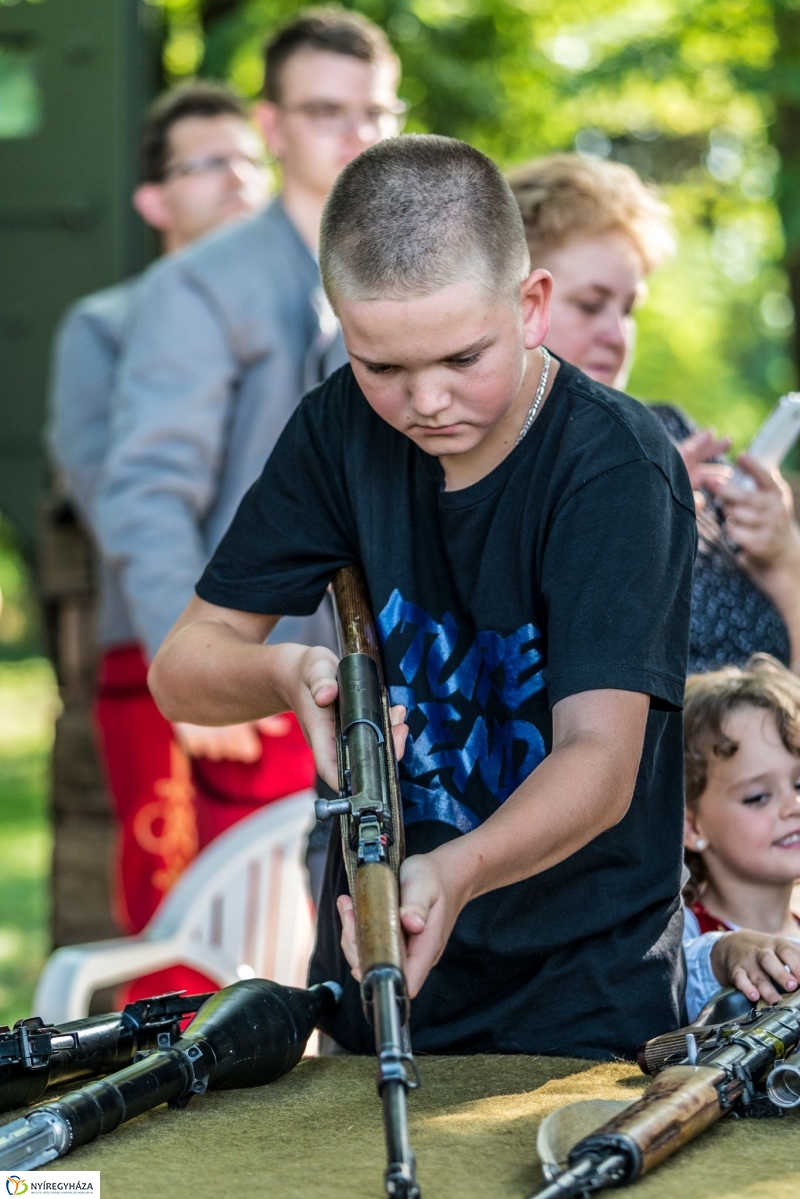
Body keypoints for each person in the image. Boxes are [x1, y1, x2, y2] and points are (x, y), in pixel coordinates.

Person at [149, 134, 699, 1061]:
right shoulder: (337, 428)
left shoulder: (614, 464)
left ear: (531, 306)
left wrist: (456, 870)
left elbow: (602, 763)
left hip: (583, 1007)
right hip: (378, 991)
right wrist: (289, 672)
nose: (426, 400)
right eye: (383, 367)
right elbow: (182, 668)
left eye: (461, 357)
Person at [94, 9, 404, 905]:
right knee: (232, 949)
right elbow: (148, 488)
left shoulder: (409, 276)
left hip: (377, 680)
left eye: (376, 112)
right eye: (326, 111)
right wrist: (196, 669)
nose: (356, 134)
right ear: (271, 126)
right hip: (254, 676)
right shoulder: (201, 284)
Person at [47, 81, 271, 938]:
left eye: (248, 159)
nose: (237, 178)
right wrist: (197, 666)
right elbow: (113, 492)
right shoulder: (104, 324)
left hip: (285, 653)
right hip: (159, 649)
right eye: (206, 163)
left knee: (283, 912)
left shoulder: (306, 311)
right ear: (153, 199)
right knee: (179, 913)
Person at [507, 154, 800, 675]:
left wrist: (782, 558)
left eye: (628, 310)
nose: (616, 335)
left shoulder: (667, 431)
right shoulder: (488, 459)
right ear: (522, 302)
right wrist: (632, 506)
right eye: (591, 304)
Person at [679, 653, 800, 1017]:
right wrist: (724, 954)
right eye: (758, 796)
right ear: (692, 827)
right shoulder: (681, 936)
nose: (793, 805)